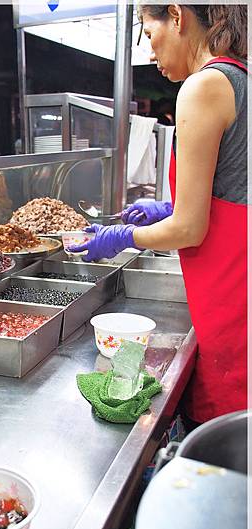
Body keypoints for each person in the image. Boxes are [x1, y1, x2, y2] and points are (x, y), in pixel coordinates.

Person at [69, 5, 247, 429]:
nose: (150, 52)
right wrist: (167, 209)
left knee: (226, 442)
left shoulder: (205, 85)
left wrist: (123, 236)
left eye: (149, 34)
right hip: (238, 281)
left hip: (233, 299)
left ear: (177, 16)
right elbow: (236, 192)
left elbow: (190, 229)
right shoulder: (241, 78)